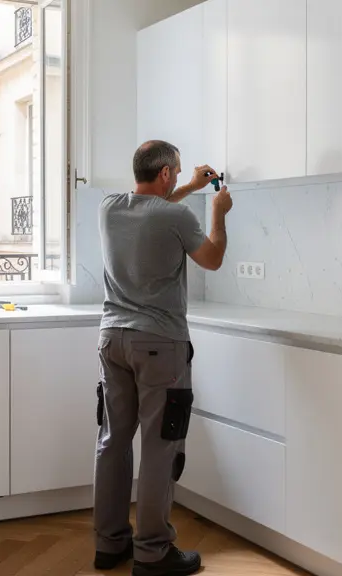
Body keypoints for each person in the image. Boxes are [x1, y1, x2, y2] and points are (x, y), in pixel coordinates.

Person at [93, 140, 232, 576]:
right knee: (159, 447)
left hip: (111, 339)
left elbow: (153, 208)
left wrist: (189, 185)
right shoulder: (178, 216)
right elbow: (211, 258)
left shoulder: (110, 208)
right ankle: (152, 552)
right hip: (159, 344)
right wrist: (217, 214)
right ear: (167, 173)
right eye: (177, 174)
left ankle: (109, 544)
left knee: (113, 442)